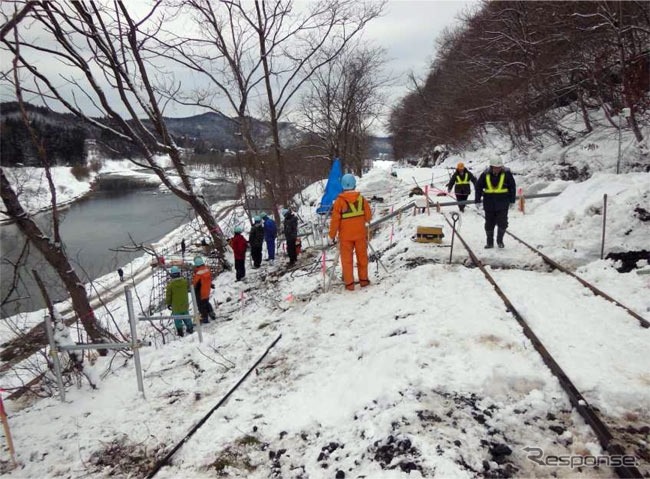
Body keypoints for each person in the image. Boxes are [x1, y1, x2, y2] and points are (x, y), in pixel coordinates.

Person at [328, 173, 373, 291]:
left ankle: (349, 284)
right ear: (354, 185)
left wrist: (331, 236)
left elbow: (335, 221)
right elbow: (368, 217)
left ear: (343, 186)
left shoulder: (339, 201)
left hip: (345, 237)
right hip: (360, 235)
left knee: (347, 261)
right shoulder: (361, 199)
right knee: (362, 258)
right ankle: (363, 280)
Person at [475, 157, 517, 249]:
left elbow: (512, 187)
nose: (497, 169)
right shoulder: (485, 175)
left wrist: (512, 201)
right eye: (495, 167)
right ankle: (489, 243)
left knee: (503, 223)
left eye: (499, 167)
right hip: (489, 203)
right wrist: (477, 200)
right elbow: (478, 187)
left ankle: (500, 240)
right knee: (489, 224)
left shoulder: (507, 174)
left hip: (502, 203)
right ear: (491, 167)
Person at [165, 266, 194, 337]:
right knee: (186, 316)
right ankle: (190, 328)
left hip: (176, 306)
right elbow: (188, 287)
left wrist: (168, 303)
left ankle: (180, 332)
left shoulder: (170, 285)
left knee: (177, 319)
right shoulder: (184, 282)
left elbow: (168, 295)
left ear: (172, 275)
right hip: (184, 303)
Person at [192, 256, 215, 323]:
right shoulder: (207, 270)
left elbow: (195, 283)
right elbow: (209, 280)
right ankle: (211, 313)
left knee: (201, 305)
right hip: (207, 290)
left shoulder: (198, 273)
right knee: (206, 302)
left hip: (200, 292)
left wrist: (191, 287)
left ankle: (204, 317)